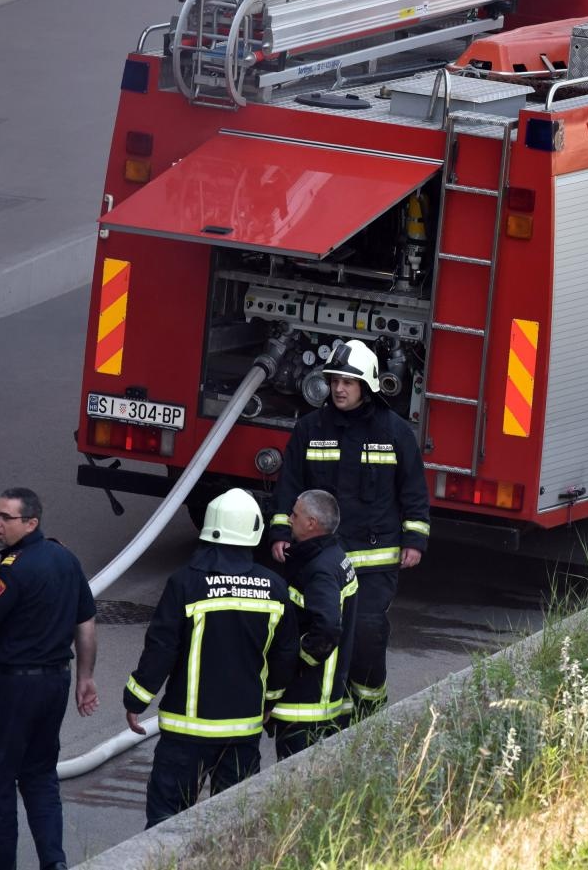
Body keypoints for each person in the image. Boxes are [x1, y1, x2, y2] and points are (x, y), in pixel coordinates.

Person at [266, 339, 429, 718]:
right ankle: (325, 710)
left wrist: (415, 539)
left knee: (368, 635)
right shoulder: (310, 429)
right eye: (335, 380)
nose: (339, 388)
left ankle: (370, 712)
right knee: (318, 633)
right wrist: (279, 532)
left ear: (367, 386)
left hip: (374, 562)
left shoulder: (394, 432)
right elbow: (289, 485)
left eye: (348, 382)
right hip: (317, 563)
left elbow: (413, 490)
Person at [124, 488, 297, 828]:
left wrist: (136, 698)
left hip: (186, 733)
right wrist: (270, 702)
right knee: (234, 825)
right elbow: (285, 653)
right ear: (253, 531)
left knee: (166, 824)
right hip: (243, 729)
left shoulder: (186, 583)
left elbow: (161, 647)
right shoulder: (275, 587)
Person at [0, 487, 99, 870]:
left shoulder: (12, 572)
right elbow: (86, 622)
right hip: (57, 684)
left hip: (15, 688)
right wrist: (86, 677)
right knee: (40, 776)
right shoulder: (65, 558)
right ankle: (55, 863)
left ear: (31, 522)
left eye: (6, 518)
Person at [270, 489, 358, 759]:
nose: (288, 518)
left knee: (294, 778)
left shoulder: (320, 569)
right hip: (325, 696)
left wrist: (298, 661)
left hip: (306, 701)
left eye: (294, 514)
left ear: (311, 523)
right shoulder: (334, 555)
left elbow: (328, 628)